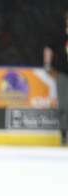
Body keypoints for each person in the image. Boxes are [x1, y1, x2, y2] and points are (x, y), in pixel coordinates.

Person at [43, 12, 68, 146]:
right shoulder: (60, 35)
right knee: (64, 105)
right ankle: (63, 133)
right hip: (63, 73)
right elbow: (49, 47)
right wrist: (47, 63)